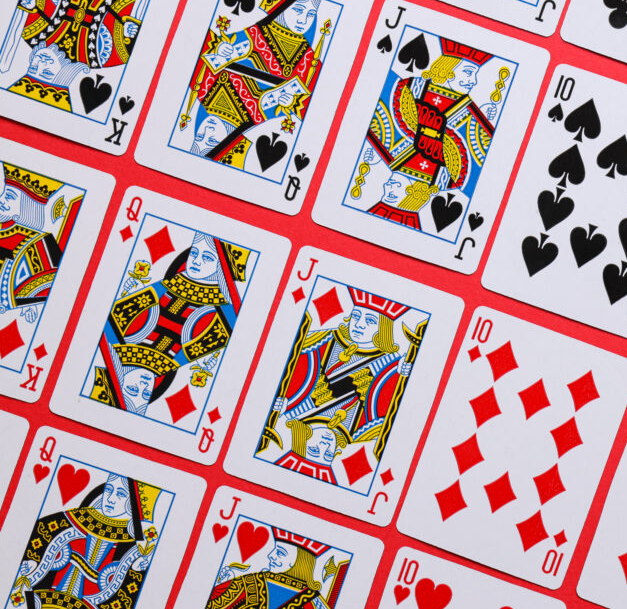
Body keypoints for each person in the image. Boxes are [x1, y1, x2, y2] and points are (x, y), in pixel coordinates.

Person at [258, 288, 422, 485]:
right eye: (356, 316)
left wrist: (403, 373)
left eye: (370, 321)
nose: (359, 325)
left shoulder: (292, 409)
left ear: (383, 328)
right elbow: (386, 405)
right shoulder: (363, 431)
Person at [89, 232, 249, 417]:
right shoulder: (185, 350)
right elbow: (228, 327)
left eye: (133, 389)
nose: (142, 385)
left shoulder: (119, 333)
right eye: (146, 393)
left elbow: (112, 319)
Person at [179, 0, 328, 169]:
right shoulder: (257, 33)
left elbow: (313, 98)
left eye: (310, 14)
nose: (303, 20)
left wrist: (223, 50)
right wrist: (225, 50)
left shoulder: (308, 57)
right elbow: (230, 47)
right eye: (298, 10)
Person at [356, 37, 501, 229]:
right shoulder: (406, 90)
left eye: (474, 75)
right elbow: (381, 116)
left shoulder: (472, 121)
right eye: (468, 72)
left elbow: (476, 168)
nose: (473, 81)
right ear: (448, 71)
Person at [8, 473, 162, 609]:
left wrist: (31, 562)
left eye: (120, 494)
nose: (110, 499)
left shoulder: (59, 525)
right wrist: (137, 568)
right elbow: (129, 596)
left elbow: (36, 538)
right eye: (108, 490)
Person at [198, 528, 348, 609]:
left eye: (280, 553)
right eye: (274, 550)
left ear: (299, 561)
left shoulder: (316, 606)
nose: (271, 556)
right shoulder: (248, 582)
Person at [0, 161, 81, 327]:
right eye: (3, 195)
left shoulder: (42, 245)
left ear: (26, 207)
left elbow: (49, 294)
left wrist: (31, 306)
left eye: (9, 197)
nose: (1, 201)